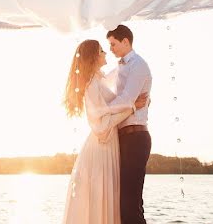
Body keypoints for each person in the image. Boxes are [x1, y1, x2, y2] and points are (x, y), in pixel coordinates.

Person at [61, 39, 148, 224]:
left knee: (108, 199)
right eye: (101, 51)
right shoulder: (92, 84)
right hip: (102, 147)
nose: (105, 53)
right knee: (101, 199)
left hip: (108, 145)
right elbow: (101, 126)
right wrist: (131, 108)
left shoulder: (98, 79)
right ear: (93, 56)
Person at [107, 24, 152, 224]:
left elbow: (125, 99)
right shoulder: (119, 68)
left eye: (113, 44)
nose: (110, 49)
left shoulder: (139, 65)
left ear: (126, 41)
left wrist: (104, 110)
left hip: (135, 137)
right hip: (121, 137)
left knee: (131, 201)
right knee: (122, 200)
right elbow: (102, 87)